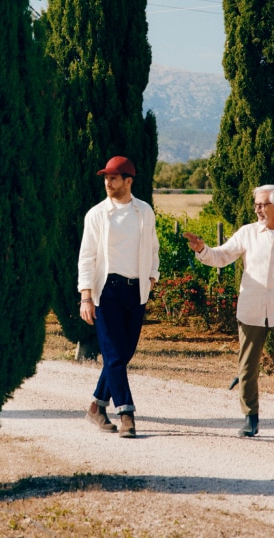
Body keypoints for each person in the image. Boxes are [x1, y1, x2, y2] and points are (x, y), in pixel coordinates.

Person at [184, 185, 274, 444]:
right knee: (247, 367)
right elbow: (222, 256)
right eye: (256, 204)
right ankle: (250, 419)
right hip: (251, 311)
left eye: (263, 204)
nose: (257, 209)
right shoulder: (247, 233)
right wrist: (202, 249)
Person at [78, 156, 160, 438]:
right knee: (113, 355)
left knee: (123, 355)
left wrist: (152, 276)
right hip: (106, 291)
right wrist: (86, 297)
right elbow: (86, 257)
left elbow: (153, 247)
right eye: (105, 178)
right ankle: (126, 413)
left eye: (113, 178)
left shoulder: (144, 211)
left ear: (128, 181)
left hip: (136, 291)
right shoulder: (96, 214)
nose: (108, 182)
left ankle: (96, 407)